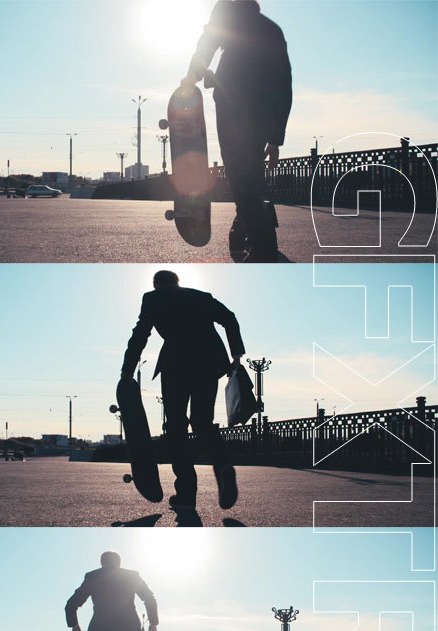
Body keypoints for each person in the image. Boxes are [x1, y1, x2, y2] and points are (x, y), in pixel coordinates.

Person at [121, 269, 245, 511]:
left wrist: (127, 370)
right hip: (209, 363)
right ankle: (223, 466)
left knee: (176, 426)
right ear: (178, 283)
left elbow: (140, 335)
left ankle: (186, 494)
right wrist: (236, 355)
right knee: (203, 422)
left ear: (157, 285)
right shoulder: (201, 295)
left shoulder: (153, 298)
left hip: (176, 365)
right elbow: (229, 317)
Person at [184, 0, 292, 261]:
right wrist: (276, 138)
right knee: (250, 177)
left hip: (233, 114)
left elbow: (205, 46)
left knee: (240, 177)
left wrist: (190, 79)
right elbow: (284, 85)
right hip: (261, 119)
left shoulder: (226, 16)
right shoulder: (272, 30)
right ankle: (251, 227)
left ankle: (260, 243)